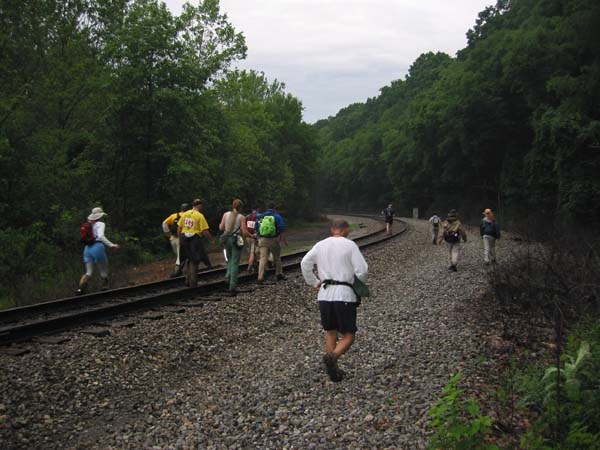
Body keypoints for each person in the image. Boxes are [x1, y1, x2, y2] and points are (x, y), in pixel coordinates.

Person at [300, 219, 368, 382]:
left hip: (324, 295)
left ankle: (333, 372)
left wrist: (314, 282)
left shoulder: (320, 245)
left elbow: (304, 263)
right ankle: (333, 357)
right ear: (345, 230)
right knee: (348, 335)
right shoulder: (349, 245)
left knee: (330, 332)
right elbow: (363, 270)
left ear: (333, 230)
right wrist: (357, 285)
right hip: (344, 294)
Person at [76, 207, 120, 295]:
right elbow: (100, 236)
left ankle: (80, 290)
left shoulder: (88, 224)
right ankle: (105, 289)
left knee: (88, 272)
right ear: (100, 216)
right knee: (104, 270)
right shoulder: (101, 223)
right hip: (97, 247)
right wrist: (112, 245)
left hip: (87, 248)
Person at [177, 199, 213, 287]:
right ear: (199, 205)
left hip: (184, 238)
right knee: (195, 260)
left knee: (188, 259)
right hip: (195, 240)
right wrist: (211, 240)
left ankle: (187, 280)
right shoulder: (200, 216)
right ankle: (193, 282)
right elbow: (204, 231)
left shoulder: (185, 214)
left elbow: (179, 227)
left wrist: (180, 239)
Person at [219, 199, 249, 295]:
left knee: (230, 259)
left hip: (226, 239)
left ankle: (227, 276)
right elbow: (244, 232)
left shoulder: (225, 214)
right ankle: (232, 286)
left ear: (232, 205)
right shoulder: (241, 217)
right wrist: (252, 236)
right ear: (241, 207)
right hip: (235, 240)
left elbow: (221, 228)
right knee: (235, 262)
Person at [257, 203, 288, 282]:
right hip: (273, 240)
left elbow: (256, 228)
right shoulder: (277, 216)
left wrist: (258, 237)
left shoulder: (261, 216)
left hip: (262, 240)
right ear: (274, 208)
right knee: (277, 258)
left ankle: (260, 277)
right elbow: (282, 228)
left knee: (263, 258)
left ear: (267, 208)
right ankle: (279, 274)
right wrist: (284, 240)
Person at [162, 203, 189, 277]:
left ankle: (179, 271)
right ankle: (177, 272)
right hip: (184, 238)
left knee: (179, 256)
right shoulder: (189, 216)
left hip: (173, 238)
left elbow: (164, 223)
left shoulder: (174, 216)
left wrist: (168, 234)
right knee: (184, 256)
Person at [245, 206, 260, 274]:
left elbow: (245, 227)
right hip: (254, 236)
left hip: (248, 237)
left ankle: (255, 267)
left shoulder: (247, 217)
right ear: (257, 209)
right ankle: (250, 267)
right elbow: (258, 227)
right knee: (253, 253)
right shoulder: (257, 216)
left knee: (252, 252)